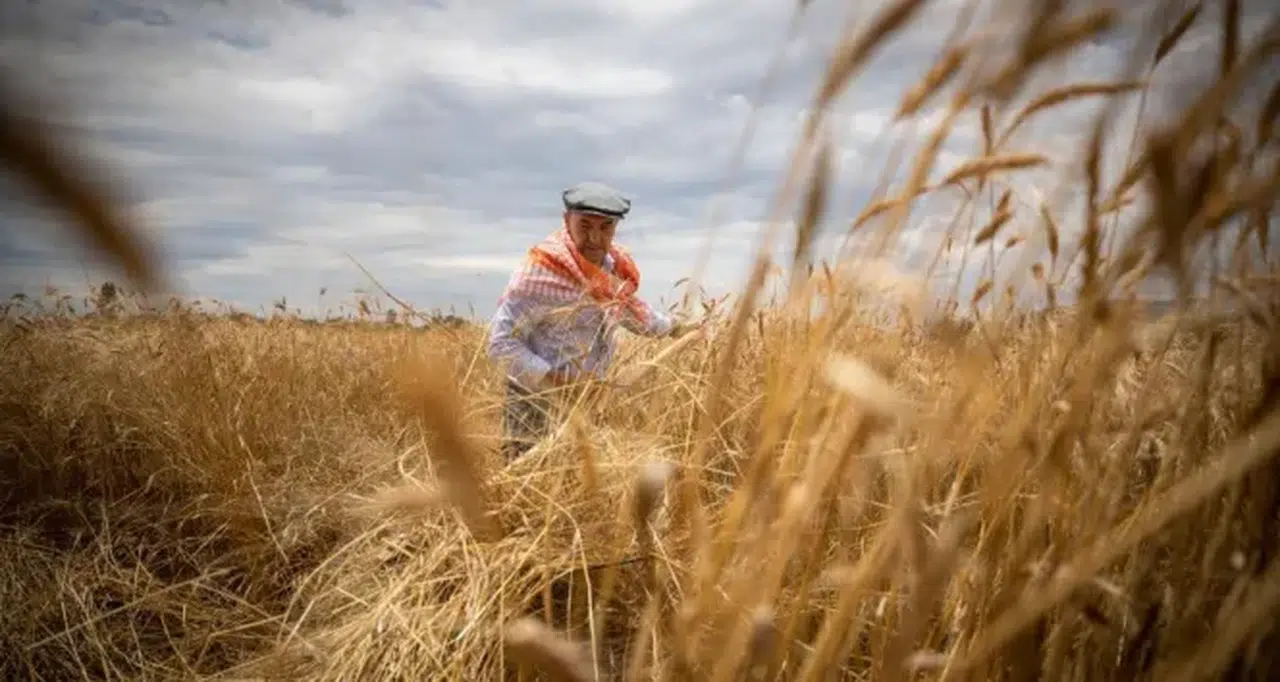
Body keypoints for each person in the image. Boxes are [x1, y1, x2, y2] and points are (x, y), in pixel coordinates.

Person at [487, 181, 697, 461]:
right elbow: (500, 344)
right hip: (534, 405)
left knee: (573, 494)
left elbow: (632, 313)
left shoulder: (609, 269)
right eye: (585, 226)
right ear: (566, 221)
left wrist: (679, 329)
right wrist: (557, 383)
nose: (595, 238)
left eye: (605, 227)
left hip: (587, 405)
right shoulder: (540, 271)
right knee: (523, 489)